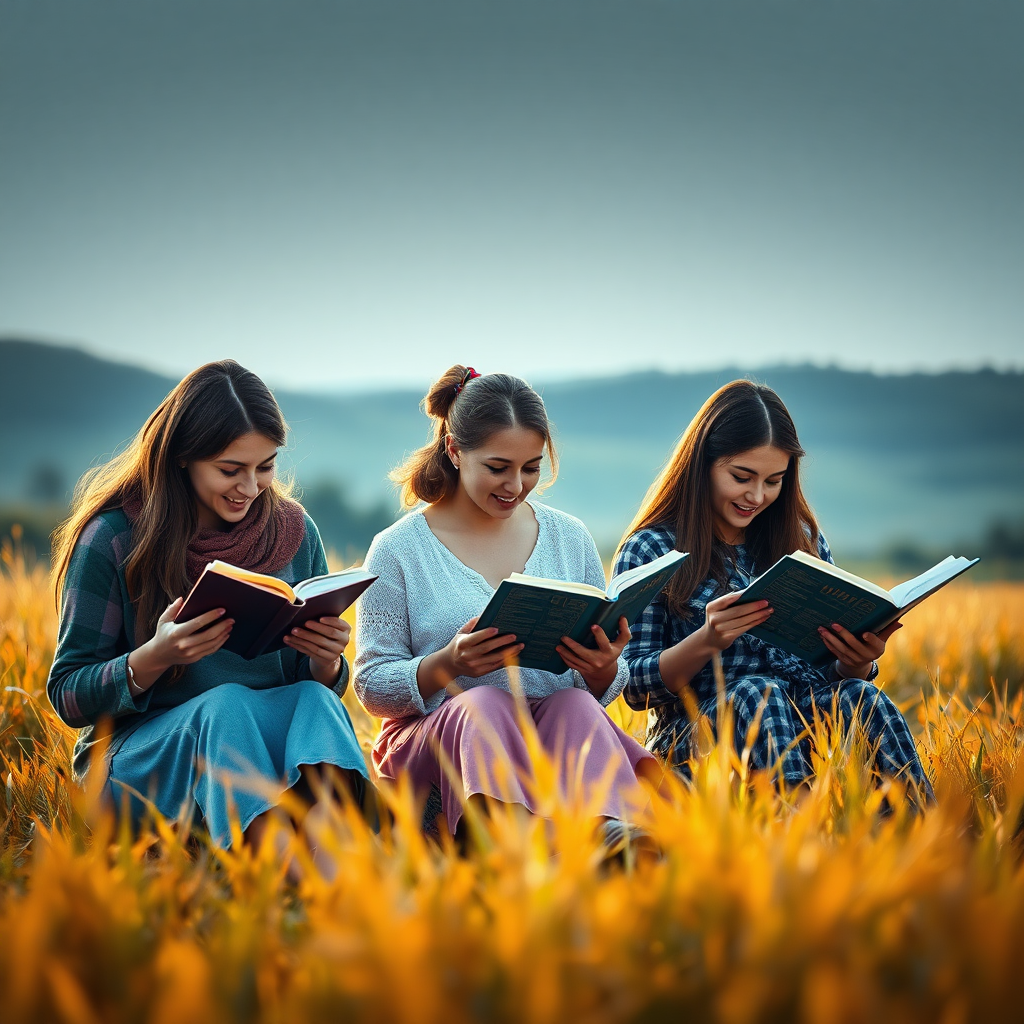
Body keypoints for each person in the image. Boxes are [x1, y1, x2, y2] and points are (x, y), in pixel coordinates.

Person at [48, 360, 371, 853]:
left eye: (265, 466)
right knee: (227, 704)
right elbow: (69, 695)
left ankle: (342, 870)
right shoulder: (114, 537)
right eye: (230, 470)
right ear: (183, 456)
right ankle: (284, 879)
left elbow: (311, 687)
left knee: (317, 701)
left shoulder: (294, 532)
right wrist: (155, 657)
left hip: (266, 751)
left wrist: (326, 662)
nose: (251, 487)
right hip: (134, 766)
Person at [354, 365, 657, 841]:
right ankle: (519, 841)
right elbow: (371, 686)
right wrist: (447, 663)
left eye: (531, 468)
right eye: (497, 468)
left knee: (575, 703)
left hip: (547, 740)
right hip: (441, 752)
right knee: (485, 702)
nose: (515, 486)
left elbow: (600, 683)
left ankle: (608, 834)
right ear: (455, 450)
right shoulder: (397, 550)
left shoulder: (569, 538)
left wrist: (602, 668)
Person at [613, 379, 932, 801]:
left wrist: (853, 664)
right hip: (696, 742)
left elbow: (825, 676)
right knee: (757, 693)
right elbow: (629, 684)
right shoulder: (652, 549)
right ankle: (797, 842)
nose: (757, 495)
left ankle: (933, 843)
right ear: (702, 465)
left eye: (774, 481)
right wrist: (706, 640)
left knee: (863, 696)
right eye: (741, 477)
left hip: (803, 722)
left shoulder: (803, 541)